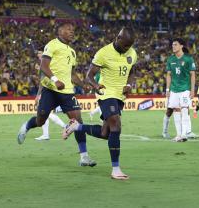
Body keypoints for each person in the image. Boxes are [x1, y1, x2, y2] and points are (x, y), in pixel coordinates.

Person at [17, 22, 97, 167]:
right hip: (51, 89)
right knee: (41, 120)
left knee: (78, 122)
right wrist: (55, 80)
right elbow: (44, 66)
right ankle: (27, 125)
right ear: (60, 31)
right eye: (68, 29)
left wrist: (82, 84)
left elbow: (72, 74)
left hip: (66, 92)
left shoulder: (72, 52)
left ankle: (84, 156)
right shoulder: (52, 45)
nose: (72, 32)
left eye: (73, 30)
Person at [62, 27, 137, 180]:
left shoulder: (132, 53)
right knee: (116, 125)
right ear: (118, 38)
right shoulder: (103, 53)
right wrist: (96, 86)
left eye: (129, 46)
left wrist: (129, 85)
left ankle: (76, 126)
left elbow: (132, 72)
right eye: (125, 46)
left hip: (120, 96)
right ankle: (115, 169)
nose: (127, 49)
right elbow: (89, 76)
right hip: (106, 93)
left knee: (106, 134)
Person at [165, 38, 199, 142]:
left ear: (181, 46)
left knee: (184, 109)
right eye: (172, 45)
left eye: (175, 44)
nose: (173, 46)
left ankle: (184, 134)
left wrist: (193, 90)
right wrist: (167, 89)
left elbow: (193, 75)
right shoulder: (170, 59)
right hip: (174, 90)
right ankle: (179, 135)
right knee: (175, 110)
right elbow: (169, 75)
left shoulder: (188, 59)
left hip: (185, 89)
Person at [33, 51, 67, 141]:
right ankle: (46, 134)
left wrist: (38, 95)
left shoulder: (44, 66)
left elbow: (42, 82)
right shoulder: (46, 65)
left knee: (43, 112)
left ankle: (64, 126)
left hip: (48, 91)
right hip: (51, 90)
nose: (39, 55)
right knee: (46, 113)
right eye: (38, 54)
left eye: (40, 53)